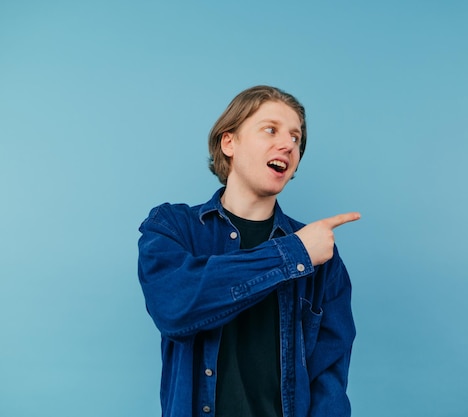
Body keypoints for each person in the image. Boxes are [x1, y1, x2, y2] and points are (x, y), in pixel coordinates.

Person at [137, 85, 360, 417]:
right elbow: (174, 308)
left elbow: (328, 377)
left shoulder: (322, 253)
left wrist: (302, 250)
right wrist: (293, 254)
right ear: (230, 143)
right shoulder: (173, 226)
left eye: (296, 138)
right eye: (270, 129)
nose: (287, 144)